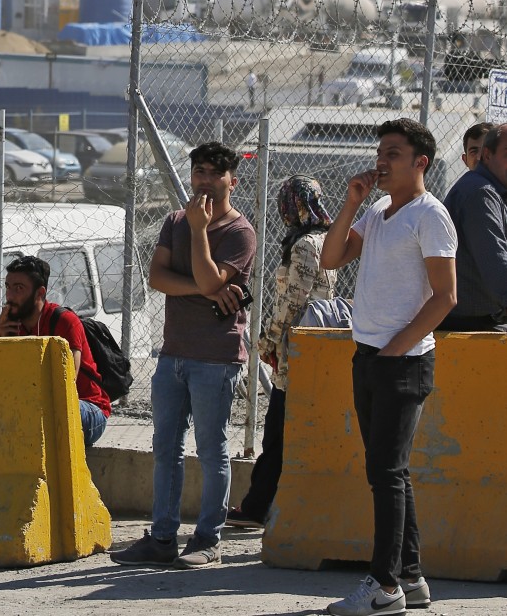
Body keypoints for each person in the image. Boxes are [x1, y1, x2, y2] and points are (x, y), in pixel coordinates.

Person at [320, 118, 456, 616]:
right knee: (390, 473)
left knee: (386, 474)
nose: (382, 161)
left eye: (394, 153)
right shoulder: (377, 209)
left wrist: (396, 350)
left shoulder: (431, 215)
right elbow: (332, 259)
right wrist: (352, 200)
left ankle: (385, 586)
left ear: (420, 161)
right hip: (368, 354)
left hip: (402, 363)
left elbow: (445, 298)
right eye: (381, 152)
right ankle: (412, 578)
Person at [111, 141, 256, 570]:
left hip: (216, 356)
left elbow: (212, 273)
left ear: (232, 179)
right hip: (172, 353)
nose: (205, 180)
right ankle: (161, 537)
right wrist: (206, 288)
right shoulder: (174, 221)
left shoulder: (238, 232)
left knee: (212, 449)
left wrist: (198, 233)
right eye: (199, 172)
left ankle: (207, 539)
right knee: (165, 447)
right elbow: (158, 278)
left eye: (214, 172)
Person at [226, 175, 336, 529]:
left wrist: (269, 340)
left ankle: (258, 507)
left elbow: (293, 301)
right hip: (314, 346)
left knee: (277, 430)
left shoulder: (305, 245)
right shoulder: (325, 239)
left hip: (296, 350)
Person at [0, 254, 111, 446]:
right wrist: (2, 341)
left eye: (19, 289)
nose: (10, 296)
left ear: (40, 293)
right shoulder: (13, 326)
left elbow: (66, 382)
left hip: (88, 410)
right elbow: (5, 382)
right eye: (8, 287)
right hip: (42, 407)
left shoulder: (64, 321)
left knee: (44, 406)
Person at [441, 122, 507, 333]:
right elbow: (497, 267)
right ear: (487, 156)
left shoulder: (492, 190)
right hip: (469, 323)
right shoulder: (481, 193)